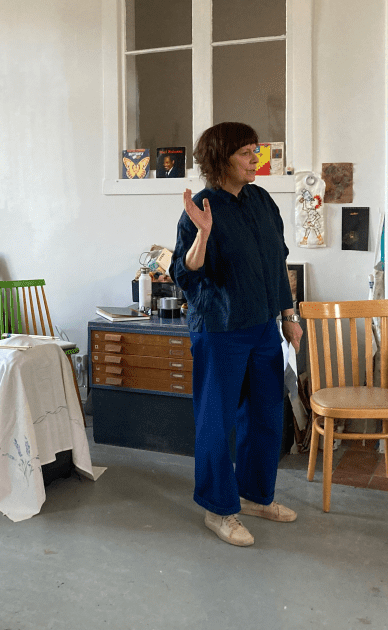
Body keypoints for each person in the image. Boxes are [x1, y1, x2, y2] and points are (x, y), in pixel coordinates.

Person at [169, 121, 302, 547]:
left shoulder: (261, 200)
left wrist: (289, 314)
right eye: (246, 153)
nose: (255, 160)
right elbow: (185, 274)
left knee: (266, 415)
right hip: (220, 329)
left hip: (263, 326)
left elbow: (278, 262)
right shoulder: (201, 208)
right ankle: (218, 508)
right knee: (217, 420)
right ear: (220, 159)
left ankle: (255, 496)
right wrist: (203, 234)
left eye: (255, 151)